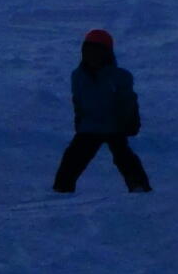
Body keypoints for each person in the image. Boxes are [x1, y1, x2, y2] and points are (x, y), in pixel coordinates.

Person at [54, 28, 150, 193]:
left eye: (97, 51)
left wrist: (131, 123)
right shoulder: (78, 76)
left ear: (106, 54)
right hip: (89, 126)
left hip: (114, 126)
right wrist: (79, 121)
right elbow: (78, 101)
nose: (92, 55)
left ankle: (139, 187)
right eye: (88, 50)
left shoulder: (120, 77)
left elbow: (128, 102)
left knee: (124, 157)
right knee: (72, 159)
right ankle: (61, 189)